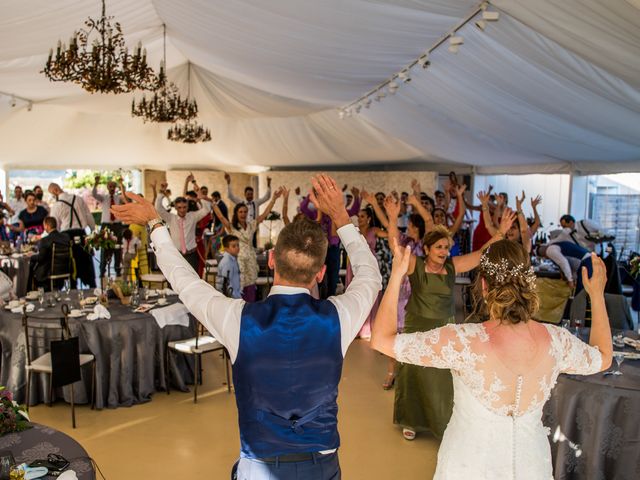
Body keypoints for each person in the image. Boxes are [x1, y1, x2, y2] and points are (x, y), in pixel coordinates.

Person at [111, 174, 382, 480]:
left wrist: (155, 224)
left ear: (270, 261)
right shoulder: (340, 317)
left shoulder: (238, 319)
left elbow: (184, 281)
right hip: (321, 466)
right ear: (321, 273)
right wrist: (341, 217)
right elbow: (370, 275)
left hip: (259, 468)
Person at [371, 239, 612, 479]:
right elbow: (603, 357)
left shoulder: (463, 341)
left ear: (484, 286)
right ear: (530, 284)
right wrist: (597, 296)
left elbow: (381, 339)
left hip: (468, 466)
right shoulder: (556, 340)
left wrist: (397, 276)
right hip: (532, 466)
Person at [391, 210, 516, 441]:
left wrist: (501, 232)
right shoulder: (414, 265)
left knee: (441, 377)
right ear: (427, 249)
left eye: (446, 247)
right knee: (412, 372)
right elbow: (396, 250)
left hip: (444, 329)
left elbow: (480, 254)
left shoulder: (452, 266)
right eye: (438, 247)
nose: (443, 252)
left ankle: (442, 422)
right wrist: (391, 218)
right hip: (416, 326)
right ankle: (411, 420)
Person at [212, 189, 282, 302]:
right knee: (238, 292)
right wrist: (213, 203)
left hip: (250, 261)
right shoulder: (232, 227)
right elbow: (220, 217)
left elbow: (264, 214)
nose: (243, 214)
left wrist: (273, 199)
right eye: (240, 212)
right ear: (236, 213)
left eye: (245, 212)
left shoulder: (251, 225)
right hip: (238, 263)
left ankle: (250, 312)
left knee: (250, 291)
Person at [152, 181, 212, 272]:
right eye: (179, 207)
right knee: (176, 281)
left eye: (184, 207)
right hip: (176, 255)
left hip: (192, 255)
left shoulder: (192, 216)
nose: (182, 210)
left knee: (193, 281)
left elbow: (206, 209)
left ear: (187, 207)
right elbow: (158, 208)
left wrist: (200, 196)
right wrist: (161, 192)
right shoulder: (171, 218)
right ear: (175, 207)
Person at [48, 182, 97, 288]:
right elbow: (89, 217)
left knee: (71, 266)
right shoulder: (78, 199)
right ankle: (93, 291)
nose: (53, 197)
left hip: (67, 237)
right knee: (87, 266)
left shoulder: (56, 206)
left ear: (55, 190)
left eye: (52, 194)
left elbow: (54, 226)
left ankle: (73, 291)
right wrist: (93, 232)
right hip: (82, 234)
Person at [92, 175, 125, 277]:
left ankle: (117, 270)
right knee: (104, 248)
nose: (111, 188)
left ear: (115, 188)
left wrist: (121, 184)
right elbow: (94, 194)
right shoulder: (104, 198)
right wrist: (96, 183)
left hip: (117, 225)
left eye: (113, 186)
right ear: (107, 187)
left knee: (117, 248)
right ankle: (102, 270)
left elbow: (125, 195)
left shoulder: (118, 198)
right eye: (110, 186)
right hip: (106, 226)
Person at [28, 217, 71, 291]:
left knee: (32, 266)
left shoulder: (45, 240)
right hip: (66, 269)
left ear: (47, 226)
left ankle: (31, 292)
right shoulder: (66, 237)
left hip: (50, 272)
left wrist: (31, 256)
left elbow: (41, 258)